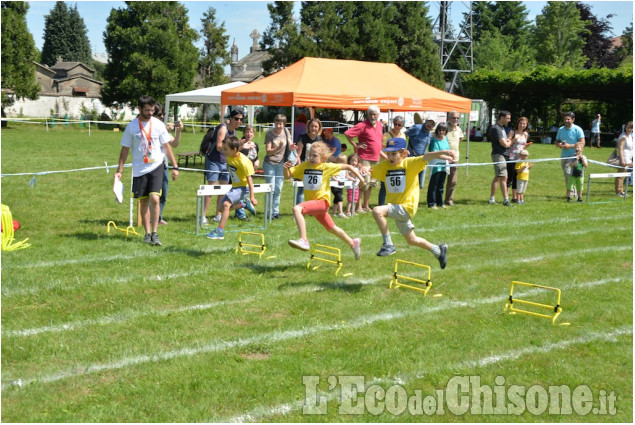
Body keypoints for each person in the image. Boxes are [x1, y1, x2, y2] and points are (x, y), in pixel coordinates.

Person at [368, 137, 454, 268]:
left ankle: (388, 244)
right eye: (388, 153)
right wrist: (363, 168)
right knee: (412, 240)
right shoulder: (385, 166)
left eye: (394, 154)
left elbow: (426, 156)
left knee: (377, 211)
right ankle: (438, 250)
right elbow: (371, 171)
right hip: (397, 207)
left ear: (403, 153)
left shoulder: (410, 163)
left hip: (407, 207)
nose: (390, 157)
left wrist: (444, 152)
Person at [114, 95, 179, 246]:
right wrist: (120, 170)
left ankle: (155, 233)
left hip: (156, 166)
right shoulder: (131, 127)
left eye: (152, 110)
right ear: (139, 109)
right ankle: (147, 233)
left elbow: (166, 146)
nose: (151, 113)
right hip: (139, 169)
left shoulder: (158, 124)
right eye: (147, 110)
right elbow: (124, 149)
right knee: (143, 201)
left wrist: (175, 166)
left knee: (155, 198)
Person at [283, 142, 365, 259]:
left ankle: (304, 240)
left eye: (315, 156)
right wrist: (285, 168)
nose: (311, 158)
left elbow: (349, 166)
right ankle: (353, 243)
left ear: (323, 158)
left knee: (297, 209)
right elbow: (287, 176)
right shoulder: (304, 166)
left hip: (322, 203)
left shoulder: (326, 167)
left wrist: (361, 179)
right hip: (315, 206)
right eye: (310, 155)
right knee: (332, 228)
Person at [205, 136, 257, 240]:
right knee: (220, 209)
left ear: (233, 150)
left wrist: (252, 197)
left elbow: (250, 181)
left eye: (225, 149)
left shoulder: (244, 162)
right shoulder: (230, 154)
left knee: (226, 205)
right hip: (235, 187)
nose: (223, 151)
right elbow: (237, 151)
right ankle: (243, 204)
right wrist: (241, 145)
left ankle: (220, 231)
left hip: (243, 188)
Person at [201, 109, 244, 224]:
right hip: (214, 160)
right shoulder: (223, 128)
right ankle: (202, 216)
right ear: (231, 118)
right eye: (236, 118)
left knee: (224, 190)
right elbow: (219, 146)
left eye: (241, 119)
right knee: (211, 189)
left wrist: (239, 146)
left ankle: (218, 214)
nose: (239, 121)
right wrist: (232, 147)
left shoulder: (234, 132)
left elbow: (231, 150)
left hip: (226, 162)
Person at [345, 105, 383, 212]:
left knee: (371, 183)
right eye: (370, 114)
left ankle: (366, 205)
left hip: (375, 158)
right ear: (367, 114)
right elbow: (348, 134)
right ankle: (359, 206)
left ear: (378, 115)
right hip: (364, 158)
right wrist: (356, 145)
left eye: (374, 114)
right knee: (363, 182)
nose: (372, 116)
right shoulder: (362, 125)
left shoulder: (380, 125)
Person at [153, 102, 183, 225]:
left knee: (163, 193)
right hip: (151, 165)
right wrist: (164, 129)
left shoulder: (163, 129)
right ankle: (151, 218)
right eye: (159, 114)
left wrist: (179, 131)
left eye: (163, 114)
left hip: (163, 165)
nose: (161, 117)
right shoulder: (150, 127)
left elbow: (174, 144)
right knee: (152, 194)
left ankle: (158, 217)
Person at [263, 114, 292, 219]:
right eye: (277, 123)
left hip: (281, 164)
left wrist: (292, 147)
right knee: (271, 189)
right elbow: (268, 152)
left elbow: (289, 144)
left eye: (281, 123)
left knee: (278, 188)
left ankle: (275, 212)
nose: (279, 126)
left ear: (284, 124)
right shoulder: (269, 134)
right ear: (274, 123)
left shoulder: (286, 131)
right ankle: (268, 212)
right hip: (269, 163)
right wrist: (278, 148)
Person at [555, 111, 585, 199]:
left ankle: (573, 194)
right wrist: (560, 145)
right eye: (565, 119)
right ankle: (571, 193)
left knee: (570, 174)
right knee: (566, 174)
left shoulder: (578, 129)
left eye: (568, 119)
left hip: (575, 156)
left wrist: (570, 146)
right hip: (564, 155)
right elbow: (556, 141)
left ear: (573, 120)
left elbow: (582, 142)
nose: (566, 121)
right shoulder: (561, 129)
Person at [488, 110, 513, 206]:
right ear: (501, 118)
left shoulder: (501, 128)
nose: (509, 120)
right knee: (503, 176)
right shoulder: (496, 128)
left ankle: (492, 199)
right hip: (498, 155)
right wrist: (512, 139)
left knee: (498, 176)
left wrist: (509, 139)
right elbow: (505, 144)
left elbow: (506, 141)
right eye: (508, 118)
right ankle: (506, 200)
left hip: (503, 155)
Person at [379, 116, 406, 205]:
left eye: (399, 125)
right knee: (384, 186)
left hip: (398, 164)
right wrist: (388, 159)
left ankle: (397, 203)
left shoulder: (403, 135)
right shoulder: (387, 135)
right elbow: (381, 150)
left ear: (402, 126)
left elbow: (403, 150)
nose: (396, 126)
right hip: (387, 163)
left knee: (397, 185)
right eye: (395, 124)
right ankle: (381, 204)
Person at [296, 118, 323, 204]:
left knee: (314, 190)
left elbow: (321, 155)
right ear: (308, 127)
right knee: (301, 190)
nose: (313, 128)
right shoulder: (302, 137)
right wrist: (300, 169)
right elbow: (297, 156)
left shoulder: (319, 139)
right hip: (304, 166)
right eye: (312, 126)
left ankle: (311, 209)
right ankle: (299, 209)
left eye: (316, 126)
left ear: (319, 128)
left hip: (315, 168)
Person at [406, 117, 435, 189]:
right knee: (410, 183)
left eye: (432, 124)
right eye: (429, 122)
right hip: (412, 159)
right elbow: (404, 135)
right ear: (425, 121)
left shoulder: (429, 134)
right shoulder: (416, 128)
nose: (430, 125)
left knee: (420, 185)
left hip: (422, 161)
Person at [427, 123, 451, 209]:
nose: (441, 132)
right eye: (440, 130)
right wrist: (447, 157)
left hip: (444, 164)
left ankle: (440, 203)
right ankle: (431, 203)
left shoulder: (446, 139)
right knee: (434, 184)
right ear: (437, 130)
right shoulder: (434, 140)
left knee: (441, 184)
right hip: (436, 165)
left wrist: (450, 156)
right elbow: (435, 154)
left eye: (443, 130)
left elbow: (447, 150)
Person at [507, 117, 529, 203]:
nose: (522, 125)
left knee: (518, 177)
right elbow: (507, 143)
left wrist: (526, 147)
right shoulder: (513, 132)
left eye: (524, 124)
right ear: (517, 123)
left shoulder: (525, 134)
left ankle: (515, 197)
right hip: (512, 157)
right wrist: (514, 139)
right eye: (520, 123)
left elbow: (523, 146)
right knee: (510, 177)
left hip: (520, 159)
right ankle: (506, 197)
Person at [444, 111, 464, 206]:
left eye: (457, 118)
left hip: (455, 159)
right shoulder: (443, 128)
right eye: (453, 118)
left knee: (453, 181)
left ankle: (449, 199)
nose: (455, 119)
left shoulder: (459, 129)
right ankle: (436, 200)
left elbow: (460, 139)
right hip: (443, 158)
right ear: (448, 118)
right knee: (440, 180)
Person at [615, 121, 633, 197]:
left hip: (628, 159)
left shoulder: (630, 137)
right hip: (623, 158)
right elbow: (620, 148)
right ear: (625, 127)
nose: (629, 129)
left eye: (631, 128)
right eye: (628, 127)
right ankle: (618, 191)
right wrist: (622, 160)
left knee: (623, 175)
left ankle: (621, 191)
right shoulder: (623, 136)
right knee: (619, 175)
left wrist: (631, 160)